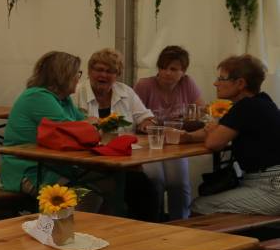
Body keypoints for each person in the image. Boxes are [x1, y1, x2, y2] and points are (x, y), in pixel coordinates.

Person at [193, 54, 280, 220]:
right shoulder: (262, 101)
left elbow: (213, 143)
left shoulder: (245, 107)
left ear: (240, 83)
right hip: (268, 181)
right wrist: (184, 137)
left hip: (271, 187)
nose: (215, 83)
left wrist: (213, 129)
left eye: (221, 78)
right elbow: (220, 132)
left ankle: (214, 245)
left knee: (201, 205)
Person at [0, 51, 88, 196]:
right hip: (29, 171)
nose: (78, 79)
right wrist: (90, 126)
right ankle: (61, 219)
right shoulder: (37, 96)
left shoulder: (63, 99)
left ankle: (89, 218)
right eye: (76, 74)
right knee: (81, 190)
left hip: (54, 167)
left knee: (106, 183)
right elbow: (72, 131)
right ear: (63, 75)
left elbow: (83, 126)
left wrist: (88, 126)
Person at [135, 46, 204, 219]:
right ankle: (154, 220)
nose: (166, 73)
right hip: (149, 144)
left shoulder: (187, 83)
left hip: (175, 142)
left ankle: (181, 222)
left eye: (173, 69)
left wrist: (193, 117)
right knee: (156, 180)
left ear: (183, 71)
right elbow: (135, 116)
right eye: (162, 67)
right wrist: (147, 123)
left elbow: (202, 110)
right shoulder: (145, 85)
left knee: (179, 183)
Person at [75, 48, 155, 127]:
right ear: (89, 71)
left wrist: (146, 124)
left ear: (117, 75)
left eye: (110, 71)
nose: (103, 75)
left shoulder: (126, 92)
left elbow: (146, 118)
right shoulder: (76, 93)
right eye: (99, 70)